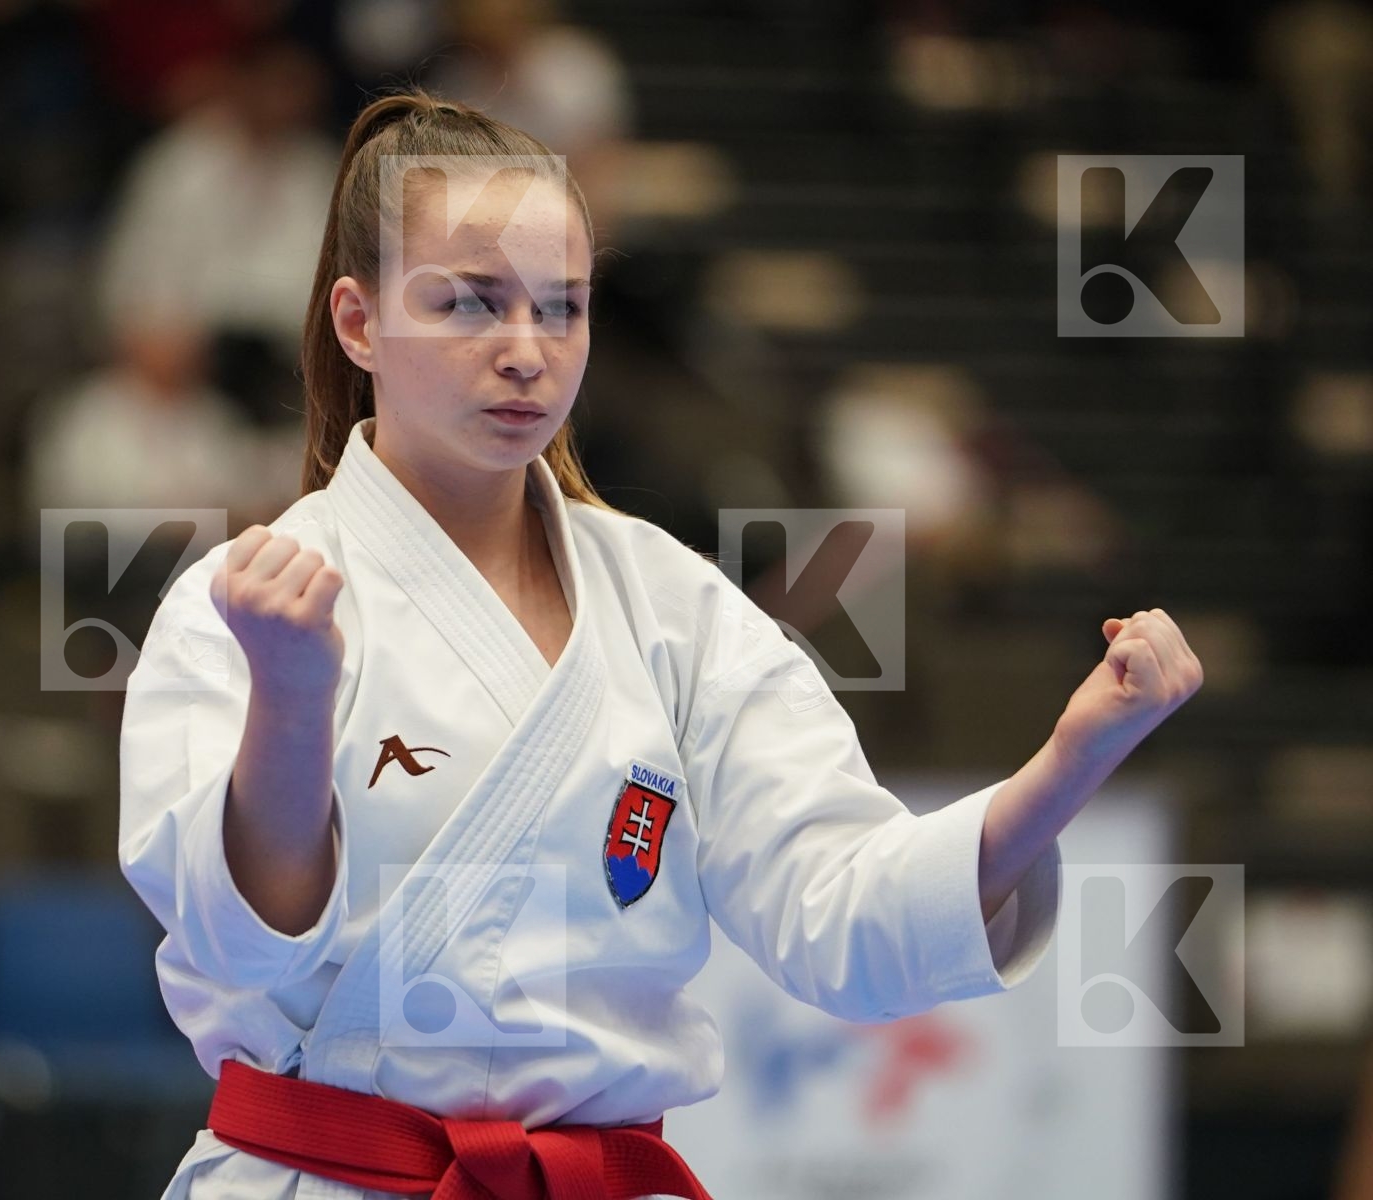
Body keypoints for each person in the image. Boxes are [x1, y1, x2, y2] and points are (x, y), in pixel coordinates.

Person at [116, 89, 1206, 1200]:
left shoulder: (677, 610)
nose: (526, 352)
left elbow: (846, 918)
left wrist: (1072, 761)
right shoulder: (245, 608)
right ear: (359, 323)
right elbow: (244, 947)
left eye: (563, 307)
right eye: (470, 304)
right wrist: (290, 702)